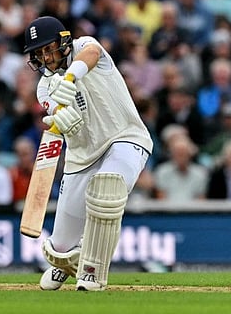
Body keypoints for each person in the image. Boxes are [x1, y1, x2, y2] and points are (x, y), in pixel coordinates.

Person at [23, 16, 153, 291]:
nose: (46, 57)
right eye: (40, 53)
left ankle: (91, 271)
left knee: (107, 189)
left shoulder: (86, 45)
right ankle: (66, 261)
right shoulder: (44, 87)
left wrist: (71, 77)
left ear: (64, 41)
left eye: (50, 48)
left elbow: (91, 54)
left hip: (125, 138)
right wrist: (59, 115)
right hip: (80, 158)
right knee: (59, 246)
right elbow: (55, 111)